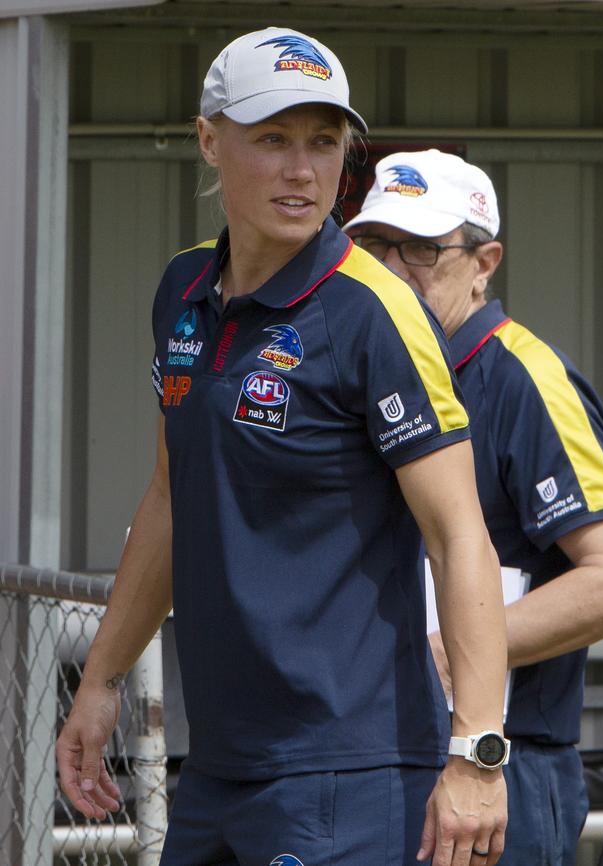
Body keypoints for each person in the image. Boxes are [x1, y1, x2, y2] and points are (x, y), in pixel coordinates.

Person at [56, 32, 511, 866]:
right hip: (221, 763)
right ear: (208, 140)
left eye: (325, 142)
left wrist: (478, 752)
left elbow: (459, 536)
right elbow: (168, 496)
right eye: (273, 139)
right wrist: (101, 681)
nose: (304, 171)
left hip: (352, 772)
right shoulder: (183, 290)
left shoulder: (375, 311)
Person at [344, 148, 603, 866]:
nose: (391, 268)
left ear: (485, 262)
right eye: (371, 244)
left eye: (421, 248)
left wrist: (463, 647)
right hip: (373, 757)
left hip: (500, 766)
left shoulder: (524, 378)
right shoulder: (363, 369)